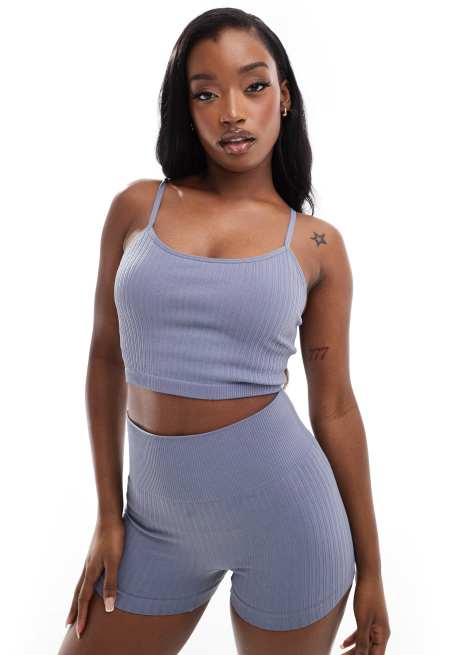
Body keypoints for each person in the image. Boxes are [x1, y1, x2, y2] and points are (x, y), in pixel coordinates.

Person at [58, 8, 390, 655]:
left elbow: (335, 408)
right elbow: (105, 357)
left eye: (253, 85)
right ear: (186, 109)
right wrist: (106, 515)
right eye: (205, 94)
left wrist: (373, 568)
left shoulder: (316, 244)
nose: (232, 112)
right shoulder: (136, 208)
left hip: (292, 524)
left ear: (284, 97)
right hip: (153, 524)